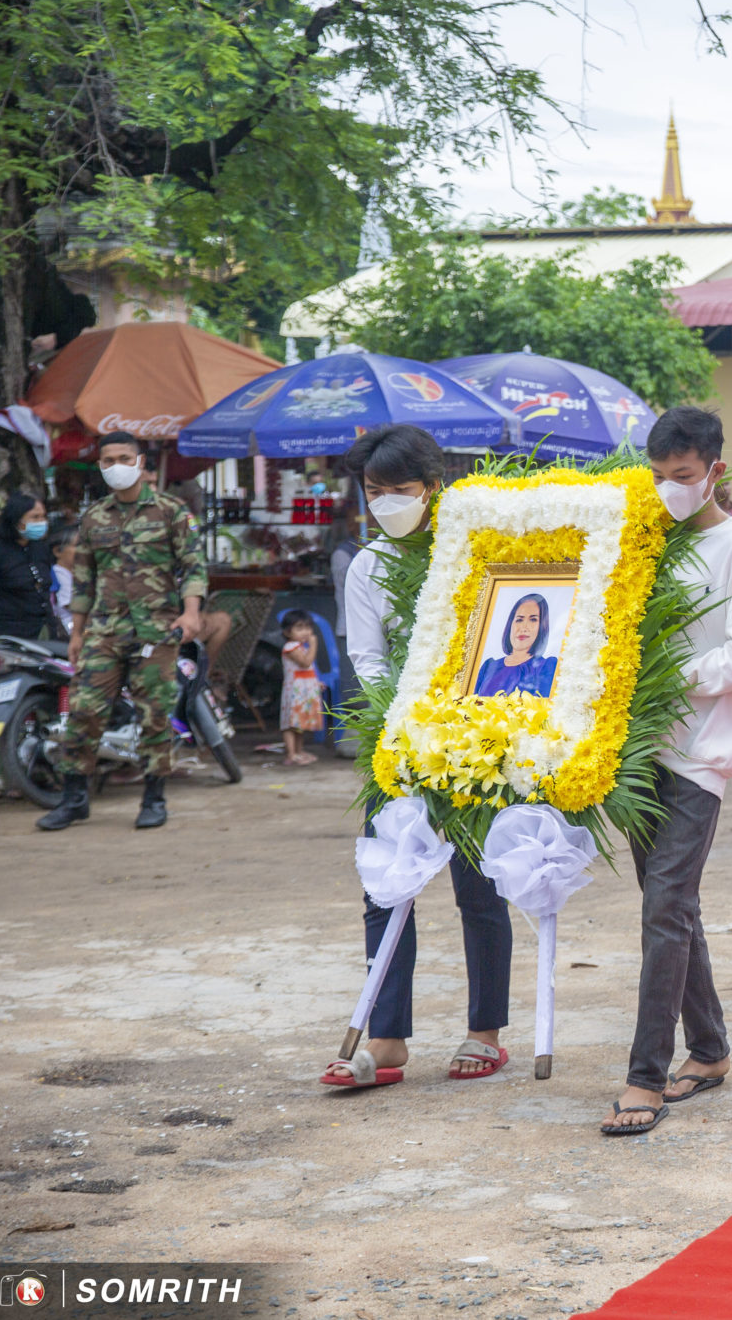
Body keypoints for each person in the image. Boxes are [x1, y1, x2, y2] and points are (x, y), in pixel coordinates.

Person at [599, 407, 732, 1136]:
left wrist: (661, 677)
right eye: (658, 476)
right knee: (671, 905)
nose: (669, 488)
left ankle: (644, 1075)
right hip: (641, 751)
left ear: (715, 471)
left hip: (703, 752)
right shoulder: (648, 543)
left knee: (664, 905)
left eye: (682, 476)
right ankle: (709, 1051)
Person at [322, 423, 512, 1088]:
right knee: (386, 884)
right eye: (373, 491)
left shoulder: (473, 552)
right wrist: (407, 723)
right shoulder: (368, 566)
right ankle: (387, 1039)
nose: (385, 502)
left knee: (478, 886)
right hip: (398, 742)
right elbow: (368, 659)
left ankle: (485, 1032)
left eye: (398, 489)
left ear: (432, 487)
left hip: (477, 740)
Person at [39, 432, 208, 832]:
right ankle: (74, 799)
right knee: (83, 712)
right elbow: (84, 580)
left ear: (140, 463)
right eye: (108, 459)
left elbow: (193, 566)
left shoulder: (171, 511)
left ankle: (153, 799)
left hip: (156, 631)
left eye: (124, 458)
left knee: (154, 715)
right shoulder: (94, 517)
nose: (116, 466)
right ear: (100, 466)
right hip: (103, 632)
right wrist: (77, 634)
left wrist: (191, 613)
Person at [0, 493, 57, 639]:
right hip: (9, 633)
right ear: (16, 520)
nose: (41, 522)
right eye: (35, 517)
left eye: (43, 516)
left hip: (44, 629)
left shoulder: (41, 548)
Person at [472, 593, 558, 697]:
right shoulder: (489, 667)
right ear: (511, 624)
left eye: (533, 620)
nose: (523, 627)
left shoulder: (547, 667)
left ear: (542, 626)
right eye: (519, 620)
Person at [279, 611, 324, 766]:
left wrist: (315, 682)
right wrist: (314, 645)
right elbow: (305, 663)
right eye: (299, 628)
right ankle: (291, 754)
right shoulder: (290, 647)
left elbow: (307, 670)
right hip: (295, 691)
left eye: (308, 627)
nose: (305, 632)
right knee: (291, 724)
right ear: (287, 632)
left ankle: (299, 751)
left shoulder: (300, 647)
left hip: (304, 689)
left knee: (299, 723)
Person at [48, 526, 75, 636]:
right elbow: (69, 604)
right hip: (68, 629)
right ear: (57, 551)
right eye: (77, 545)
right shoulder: (58, 573)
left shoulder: (76, 573)